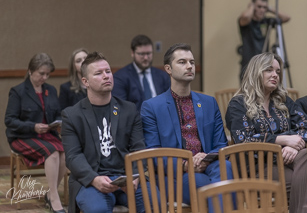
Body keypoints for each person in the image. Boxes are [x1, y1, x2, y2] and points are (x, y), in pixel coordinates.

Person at [141, 43, 233, 211]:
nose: (190, 66)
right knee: (216, 186)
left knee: (225, 167)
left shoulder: (209, 103)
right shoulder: (152, 107)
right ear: (168, 69)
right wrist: (185, 165)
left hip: (210, 166)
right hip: (175, 175)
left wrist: (206, 157)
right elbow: (153, 155)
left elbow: (221, 146)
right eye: (182, 62)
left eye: (192, 61)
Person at [61, 52, 157, 213]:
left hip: (126, 177)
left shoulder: (129, 109)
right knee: (98, 208)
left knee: (155, 204)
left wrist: (134, 176)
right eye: (98, 73)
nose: (106, 76)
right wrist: (94, 179)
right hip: (91, 180)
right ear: (85, 82)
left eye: (108, 71)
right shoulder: (72, 115)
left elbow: (138, 148)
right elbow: (73, 156)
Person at [226, 52, 307, 213]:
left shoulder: (283, 100)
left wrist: (293, 147)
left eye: (277, 71)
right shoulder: (238, 104)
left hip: (289, 162)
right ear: (256, 72)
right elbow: (245, 140)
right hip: (258, 167)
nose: (275, 75)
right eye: (269, 70)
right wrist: (283, 140)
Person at [5, 53, 66, 213]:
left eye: (47, 74)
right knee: (52, 153)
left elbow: (58, 113)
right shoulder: (18, 91)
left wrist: (58, 123)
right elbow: (10, 121)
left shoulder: (51, 90)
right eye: (41, 74)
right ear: (30, 71)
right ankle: (53, 197)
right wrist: (33, 127)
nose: (45, 77)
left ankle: (50, 193)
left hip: (46, 135)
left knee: (65, 152)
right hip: (22, 136)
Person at [112, 34, 170, 111]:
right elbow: (121, 108)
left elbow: (170, 101)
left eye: (149, 53)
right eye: (141, 54)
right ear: (132, 53)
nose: (146, 58)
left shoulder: (162, 75)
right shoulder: (120, 77)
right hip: (136, 121)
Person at [238, 0, 290, 78]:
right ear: (254, 7)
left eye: (264, 7)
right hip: (248, 65)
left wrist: (270, 8)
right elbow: (245, 16)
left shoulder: (266, 21)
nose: (262, 10)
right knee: (248, 90)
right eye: (259, 7)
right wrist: (251, 7)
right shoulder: (247, 22)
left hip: (263, 64)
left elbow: (286, 18)